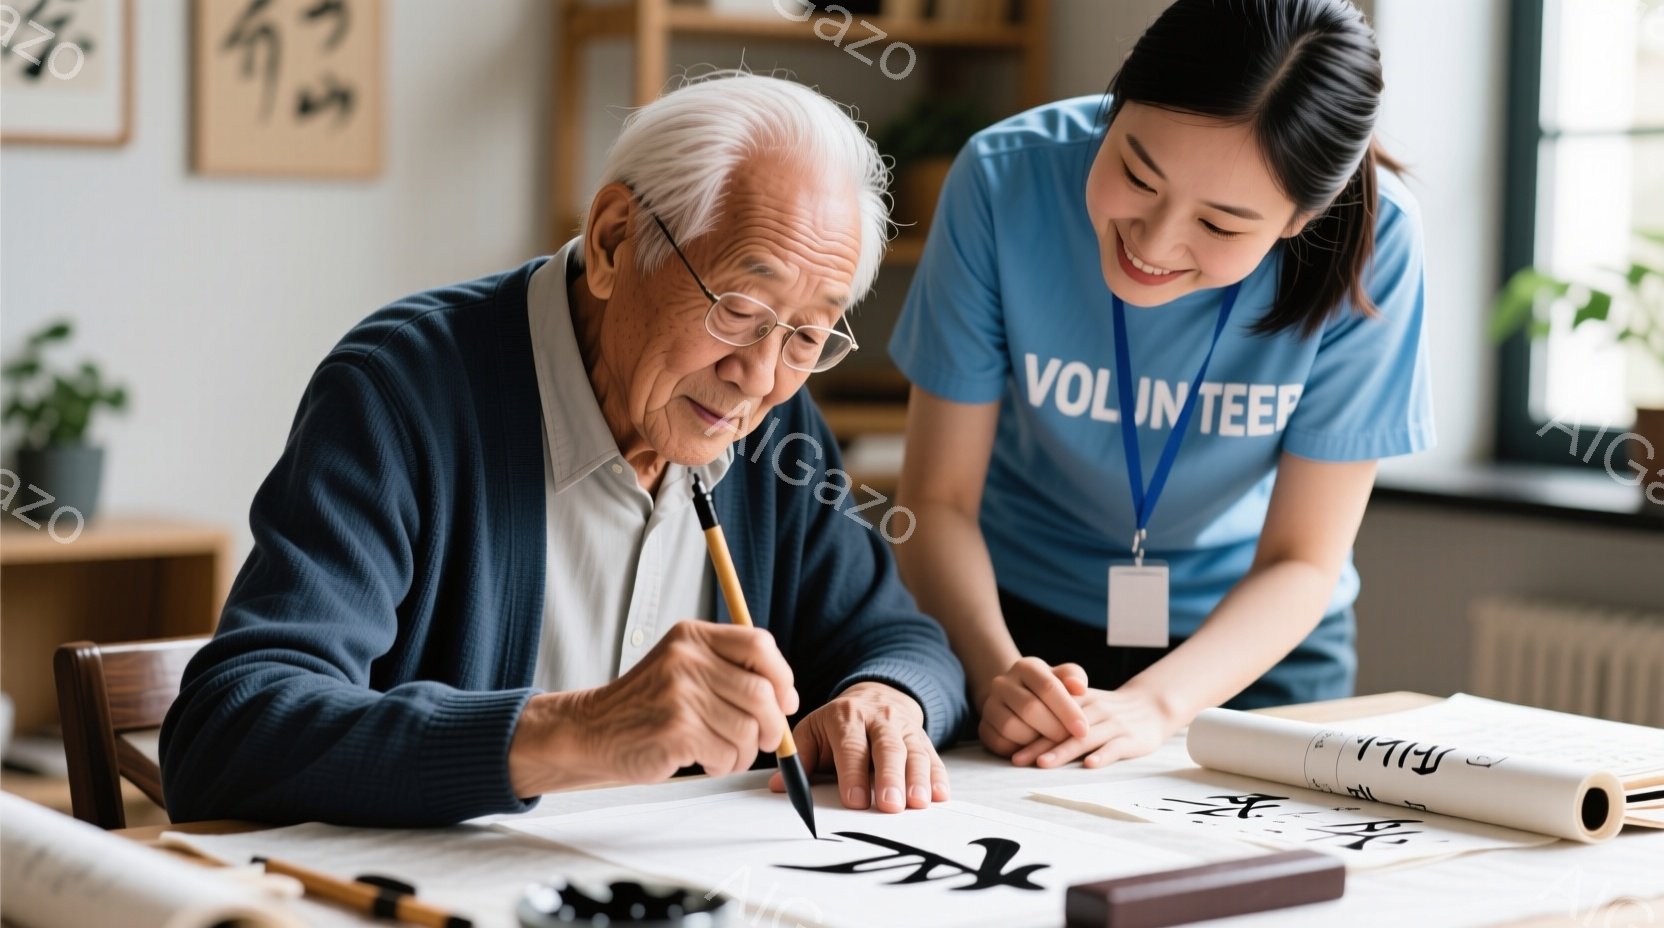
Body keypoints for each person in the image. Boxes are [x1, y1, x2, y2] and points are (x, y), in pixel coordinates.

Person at [161, 73, 967, 827]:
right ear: (615, 241)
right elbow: (231, 731)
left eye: (808, 336)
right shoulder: (403, 391)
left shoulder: (773, 430)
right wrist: (580, 731)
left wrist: (885, 700)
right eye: (737, 307)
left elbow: (903, 641)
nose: (758, 376)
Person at [889, 0, 1433, 771]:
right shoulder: (1002, 179)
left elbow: (1302, 558)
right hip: (1011, 627)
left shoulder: (1378, 246)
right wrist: (994, 671)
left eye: (1221, 226)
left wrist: (1158, 704)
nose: (1155, 240)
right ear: (1117, 101)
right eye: (1138, 176)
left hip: (1249, 646)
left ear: (1301, 218)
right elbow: (936, 500)